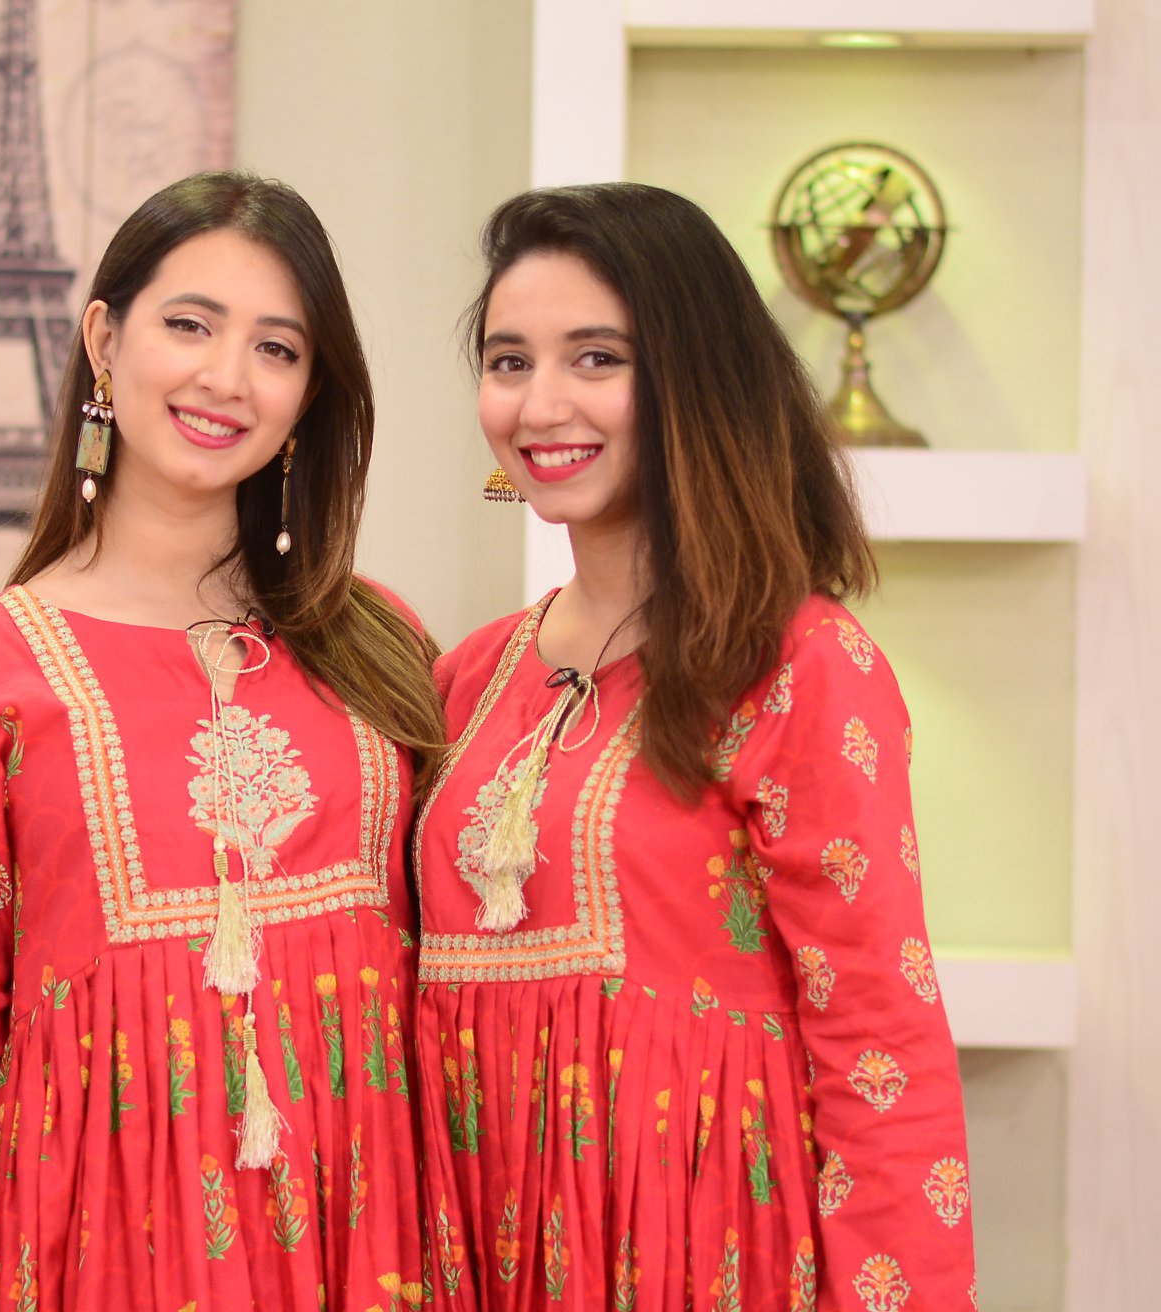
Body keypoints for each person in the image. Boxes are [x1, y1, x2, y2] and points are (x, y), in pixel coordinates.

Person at [0, 171, 444, 1312]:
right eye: (190, 325)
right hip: (105, 1256)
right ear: (102, 338)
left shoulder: (383, 646)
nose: (228, 378)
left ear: (310, 390)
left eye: (278, 348)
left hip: (376, 1252)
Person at [414, 184, 976, 1311]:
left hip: (702, 1259)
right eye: (510, 360)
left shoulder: (804, 665)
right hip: (466, 1258)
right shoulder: (469, 677)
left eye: (597, 358)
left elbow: (880, 1047)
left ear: (693, 379)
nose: (540, 403)